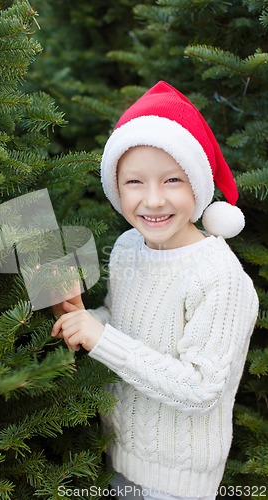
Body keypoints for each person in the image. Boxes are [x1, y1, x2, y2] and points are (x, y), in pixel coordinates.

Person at [51, 81, 259, 500]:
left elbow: (201, 389)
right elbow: (125, 325)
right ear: (115, 187)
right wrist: (84, 318)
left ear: (198, 186)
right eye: (134, 182)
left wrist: (100, 337)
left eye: (172, 180)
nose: (153, 200)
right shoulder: (129, 248)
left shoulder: (220, 277)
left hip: (177, 480)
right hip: (120, 453)